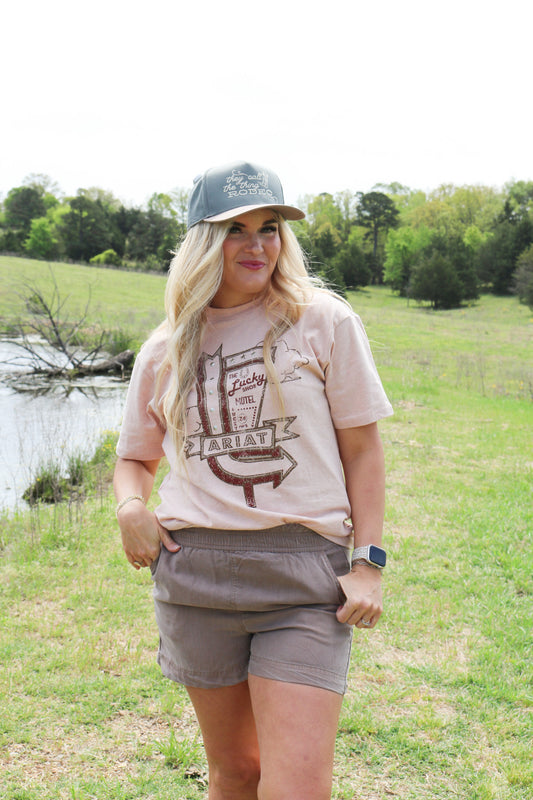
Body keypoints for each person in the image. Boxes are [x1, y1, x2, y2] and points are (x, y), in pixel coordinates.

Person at [114, 160, 393, 800]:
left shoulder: (323, 321)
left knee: (297, 787)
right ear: (202, 242)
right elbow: (135, 458)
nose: (257, 245)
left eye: (269, 228)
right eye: (235, 229)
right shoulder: (165, 348)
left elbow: (363, 453)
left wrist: (369, 563)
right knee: (236, 772)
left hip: (304, 580)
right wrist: (131, 507)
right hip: (195, 578)